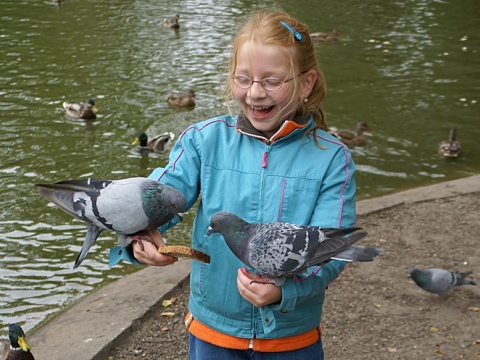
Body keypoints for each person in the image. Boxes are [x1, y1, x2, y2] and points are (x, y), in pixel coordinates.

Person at [126, 10, 356, 360]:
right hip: (213, 334)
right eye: (243, 79)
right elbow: (161, 197)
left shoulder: (331, 158)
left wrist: (284, 293)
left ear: (306, 83)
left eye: (272, 80)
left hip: (292, 338)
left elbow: (333, 247)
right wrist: (139, 236)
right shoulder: (204, 142)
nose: (255, 93)